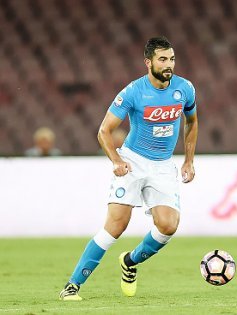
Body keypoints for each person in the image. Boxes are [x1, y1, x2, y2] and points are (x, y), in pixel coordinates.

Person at [59, 36, 198, 301]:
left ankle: (130, 262)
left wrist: (189, 160)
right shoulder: (134, 91)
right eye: (162, 59)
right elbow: (104, 131)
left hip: (163, 166)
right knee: (115, 226)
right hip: (133, 161)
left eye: (172, 59)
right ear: (148, 62)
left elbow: (192, 122)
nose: (169, 64)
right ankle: (72, 285)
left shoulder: (185, 89)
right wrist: (116, 161)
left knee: (168, 226)